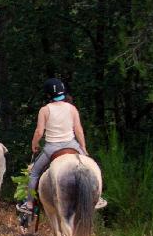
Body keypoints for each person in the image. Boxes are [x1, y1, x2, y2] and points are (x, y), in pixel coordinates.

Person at [16, 78, 105, 214]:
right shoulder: (72, 108)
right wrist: (84, 148)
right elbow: (79, 130)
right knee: (91, 165)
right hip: (72, 144)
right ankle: (97, 197)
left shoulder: (45, 110)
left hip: (52, 147)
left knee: (34, 173)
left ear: (48, 95)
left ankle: (28, 204)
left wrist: (34, 144)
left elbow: (39, 131)